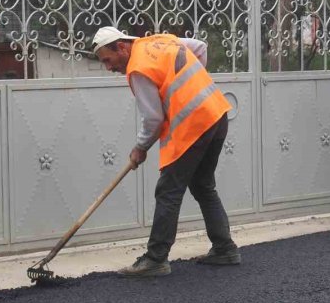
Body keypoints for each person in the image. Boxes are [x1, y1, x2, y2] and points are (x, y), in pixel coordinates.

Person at [92, 26, 241, 278]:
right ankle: (225, 248)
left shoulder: (138, 68)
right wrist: (192, 87)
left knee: (168, 191)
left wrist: (140, 148)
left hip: (194, 126)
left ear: (121, 47)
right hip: (216, 114)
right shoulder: (160, 41)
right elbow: (200, 47)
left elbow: (153, 119)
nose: (108, 67)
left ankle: (155, 259)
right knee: (203, 186)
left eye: (108, 60)